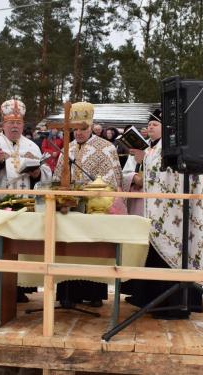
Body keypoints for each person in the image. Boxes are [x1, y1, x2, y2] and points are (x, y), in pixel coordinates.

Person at [123, 109, 203, 319]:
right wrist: (145, 158)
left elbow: (169, 175)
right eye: (149, 124)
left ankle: (172, 305)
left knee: (171, 252)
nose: (150, 127)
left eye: (155, 124)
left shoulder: (173, 146)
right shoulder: (157, 147)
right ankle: (152, 300)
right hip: (162, 213)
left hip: (174, 214)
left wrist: (145, 159)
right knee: (154, 252)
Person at [53, 101, 123, 307]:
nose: (79, 134)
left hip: (94, 209)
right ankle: (67, 294)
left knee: (91, 250)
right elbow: (58, 176)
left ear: (91, 126)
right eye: (75, 129)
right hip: (68, 208)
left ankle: (93, 294)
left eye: (83, 129)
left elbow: (113, 180)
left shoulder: (106, 148)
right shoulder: (68, 147)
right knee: (67, 250)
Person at [0, 99, 52, 303]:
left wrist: (37, 171)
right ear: (3, 125)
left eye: (18, 123)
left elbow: (45, 173)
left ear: (23, 125)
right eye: (10, 123)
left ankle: (20, 288)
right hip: (0, 202)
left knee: (22, 246)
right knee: (1, 246)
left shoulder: (32, 145)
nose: (14, 126)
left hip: (26, 204)